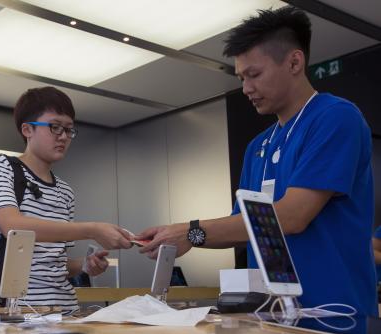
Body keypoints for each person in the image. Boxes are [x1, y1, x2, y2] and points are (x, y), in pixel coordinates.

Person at [136, 6, 377, 316]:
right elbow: (244, 226)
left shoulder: (335, 118)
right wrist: (185, 238)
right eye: (241, 77)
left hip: (335, 316)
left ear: (294, 62)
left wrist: (191, 231)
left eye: (254, 74)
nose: (246, 88)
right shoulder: (258, 146)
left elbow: (292, 216)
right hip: (270, 317)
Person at [0, 87, 132, 313]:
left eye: (69, 130)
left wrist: (84, 265)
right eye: (55, 127)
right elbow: (12, 226)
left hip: (66, 310)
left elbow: (56, 264)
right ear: (27, 129)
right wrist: (92, 229)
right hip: (18, 313)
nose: (63, 136)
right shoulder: (1, 166)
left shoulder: (65, 191)